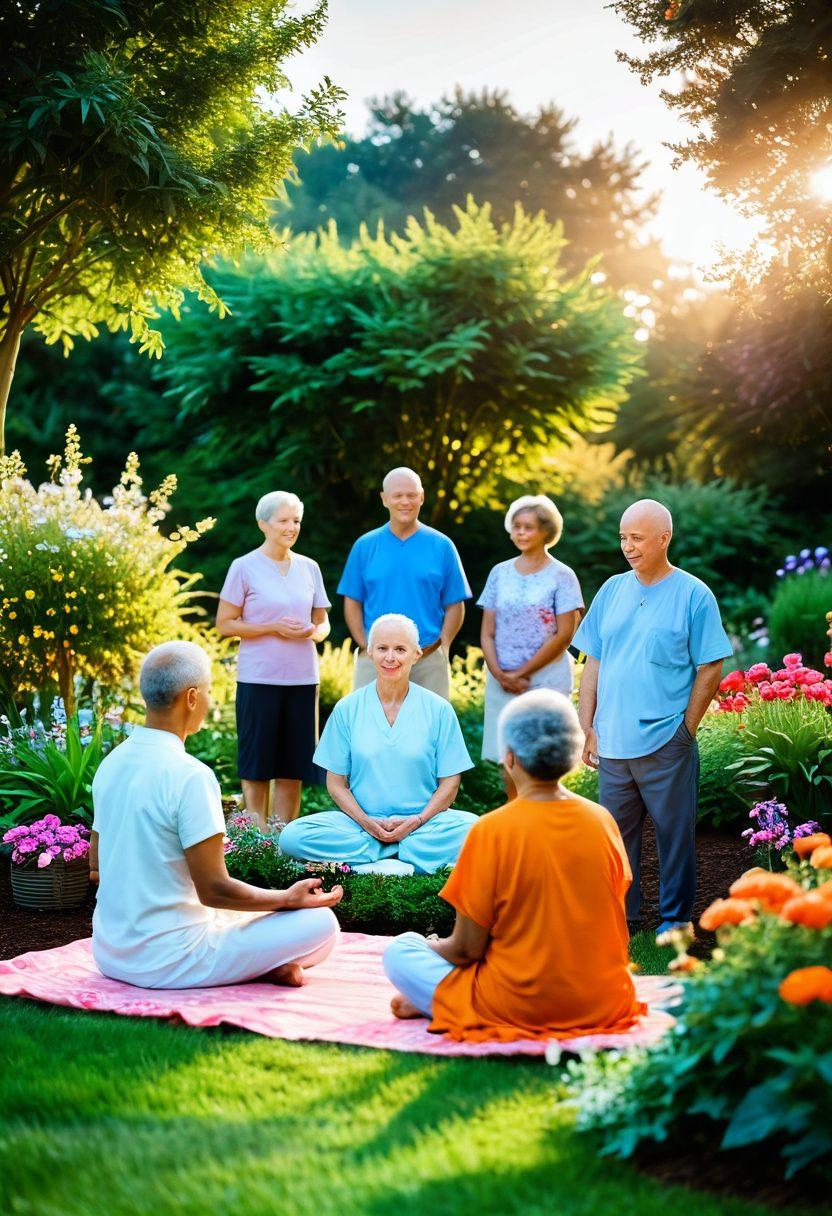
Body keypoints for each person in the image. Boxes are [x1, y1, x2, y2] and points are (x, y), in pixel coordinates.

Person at [382, 689, 644, 1041]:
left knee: (401, 950)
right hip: (603, 998)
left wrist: (427, 942)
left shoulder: (491, 830)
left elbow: (466, 950)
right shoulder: (602, 821)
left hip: (518, 1003)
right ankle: (438, 999)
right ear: (570, 754)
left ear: (510, 757)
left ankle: (442, 1000)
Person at [90, 641, 342, 990]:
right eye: (208, 691)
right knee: (322, 924)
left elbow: (96, 868)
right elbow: (214, 890)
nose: (209, 699)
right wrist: (288, 897)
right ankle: (260, 963)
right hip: (171, 961)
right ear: (191, 697)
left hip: (110, 954)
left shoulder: (110, 765)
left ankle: (259, 963)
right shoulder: (190, 775)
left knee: (231, 915)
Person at [573, 498, 732, 939]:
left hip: (667, 739)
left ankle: (677, 919)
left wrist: (687, 729)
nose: (627, 546)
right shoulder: (611, 590)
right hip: (612, 742)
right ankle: (622, 918)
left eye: (637, 538)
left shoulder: (694, 594)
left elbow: (711, 664)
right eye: (623, 537)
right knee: (616, 840)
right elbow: (594, 664)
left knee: (674, 836)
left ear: (664, 539)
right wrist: (588, 727)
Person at [278, 614, 478, 875]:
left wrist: (415, 821)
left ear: (416, 654)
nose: (390, 657)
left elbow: (450, 784)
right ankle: (400, 853)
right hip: (360, 825)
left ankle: (380, 857)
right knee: (292, 836)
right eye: (382, 648)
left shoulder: (439, 710)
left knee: (475, 830)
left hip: (425, 824)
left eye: (400, 649)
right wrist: (368, 824)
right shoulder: (347, 709)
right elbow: (336, 784)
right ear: (370, 652)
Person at [216, 491, 331, 828]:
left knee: (293, 764)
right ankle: (257, 836)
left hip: (302, 679)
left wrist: (312, 630)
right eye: (283, 520)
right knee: (257, 761)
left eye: (296, 520)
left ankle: (283, 839)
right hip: (258, 678)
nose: (291, 527)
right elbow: (225, 623)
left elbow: (323, 624)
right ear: (263, 524)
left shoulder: (310, 567)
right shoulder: (244, 567)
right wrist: (272, 628)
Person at [479, 494, 584, 797]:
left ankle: (545, 823)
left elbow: (564, 634)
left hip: (545, 680)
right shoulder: (499, 572)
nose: (521, 533)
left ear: (546, 531)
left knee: (544, 754)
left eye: (529, 527)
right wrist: (501, 674)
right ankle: (514, 817)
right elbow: (487, 633)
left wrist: (522, 672)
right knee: (506, 753)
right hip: (502, 680)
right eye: (516, 527)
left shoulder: (563, 576)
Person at [338, 467, 470, 700]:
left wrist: (444, 647)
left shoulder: (442, 546)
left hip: (427, 659)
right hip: (375, 661)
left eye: (411, 494)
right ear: (384, 499)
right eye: (397, 495)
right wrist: (367, 647)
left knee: (430, 732)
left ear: (421, 497)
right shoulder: (365, 546)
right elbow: (352, 602)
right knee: (368, 729)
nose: (405, 501)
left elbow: (455, 605)